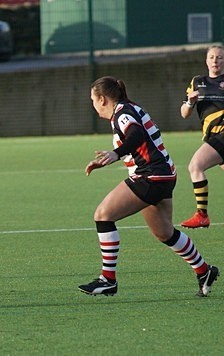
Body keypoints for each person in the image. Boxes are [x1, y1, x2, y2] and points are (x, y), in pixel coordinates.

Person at [80, 76, 218, 297]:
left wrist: (115, 153)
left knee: (103, 215)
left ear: (103, 100)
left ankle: (108, 279)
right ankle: (204, 270)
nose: (93, 105)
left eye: (93, 100)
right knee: (164, 232)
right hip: (164, 175)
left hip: (150, 176)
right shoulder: (127, 108)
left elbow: (136, 135)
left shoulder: (122, 113)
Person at [179, 45, 224, 228]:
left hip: (221, 136)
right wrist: (190, 102)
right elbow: (184, 113)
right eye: (212, 57)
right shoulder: (197, 82)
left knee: (195, 165)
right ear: (206, 61)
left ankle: (202, 215)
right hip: (211, 138)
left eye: (220, 58)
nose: (215, 61)